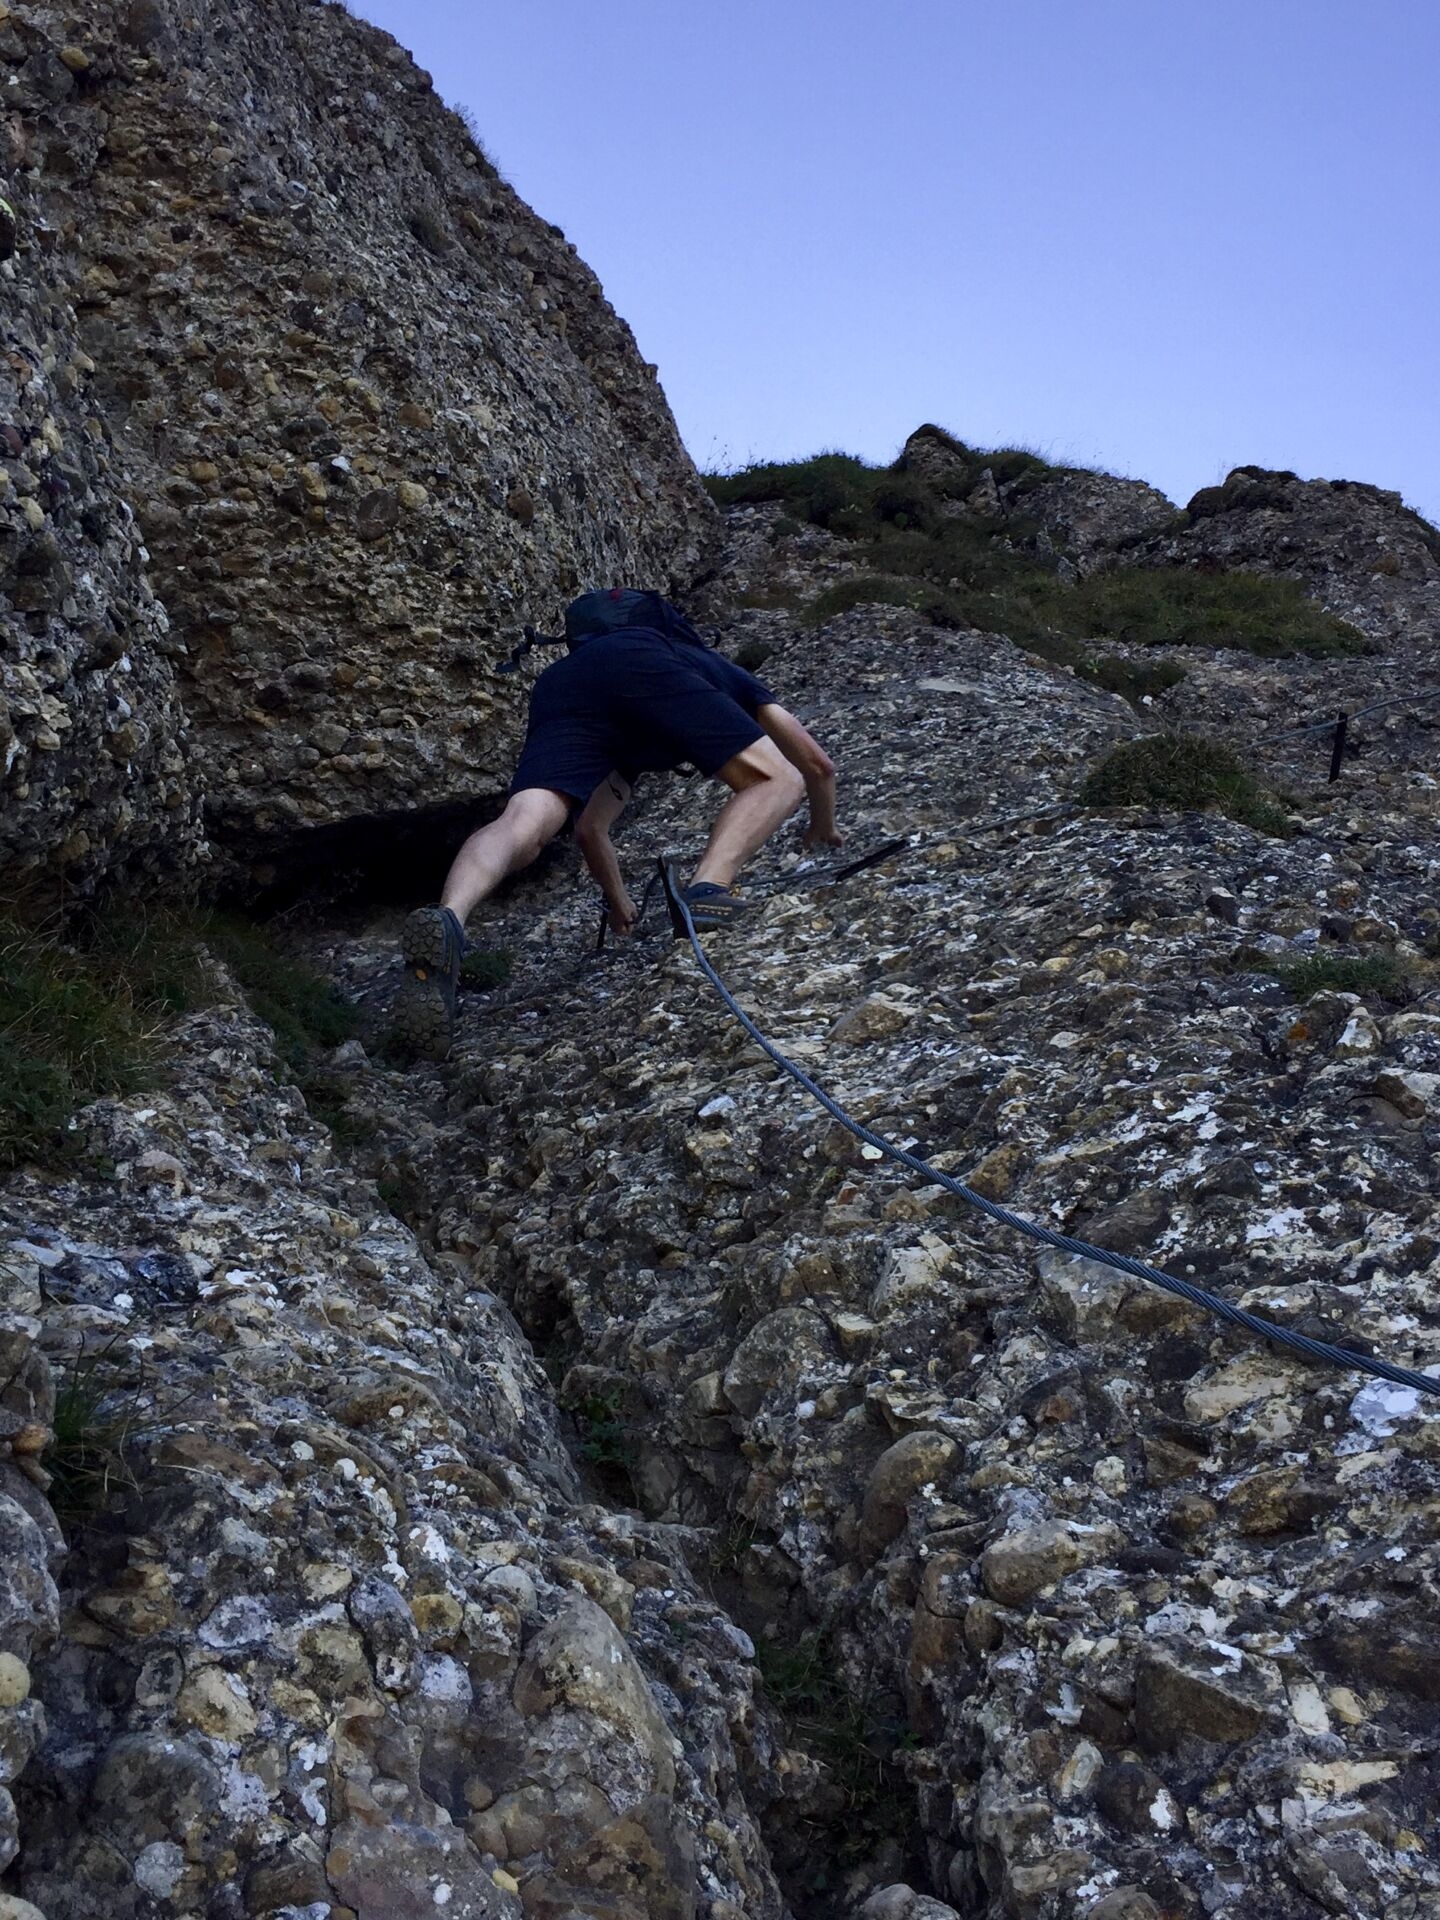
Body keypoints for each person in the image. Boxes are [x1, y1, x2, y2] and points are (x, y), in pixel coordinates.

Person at [393, 588, 840, 1058]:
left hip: (562, 687)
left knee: (525, 820)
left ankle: (450, 917)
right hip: (645, 664)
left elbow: (591, 828)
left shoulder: (575, 671)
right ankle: (708, 890)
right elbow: (816, 765)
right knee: (776, 777)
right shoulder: (685, 655)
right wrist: (823, 825)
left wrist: (618, 901)